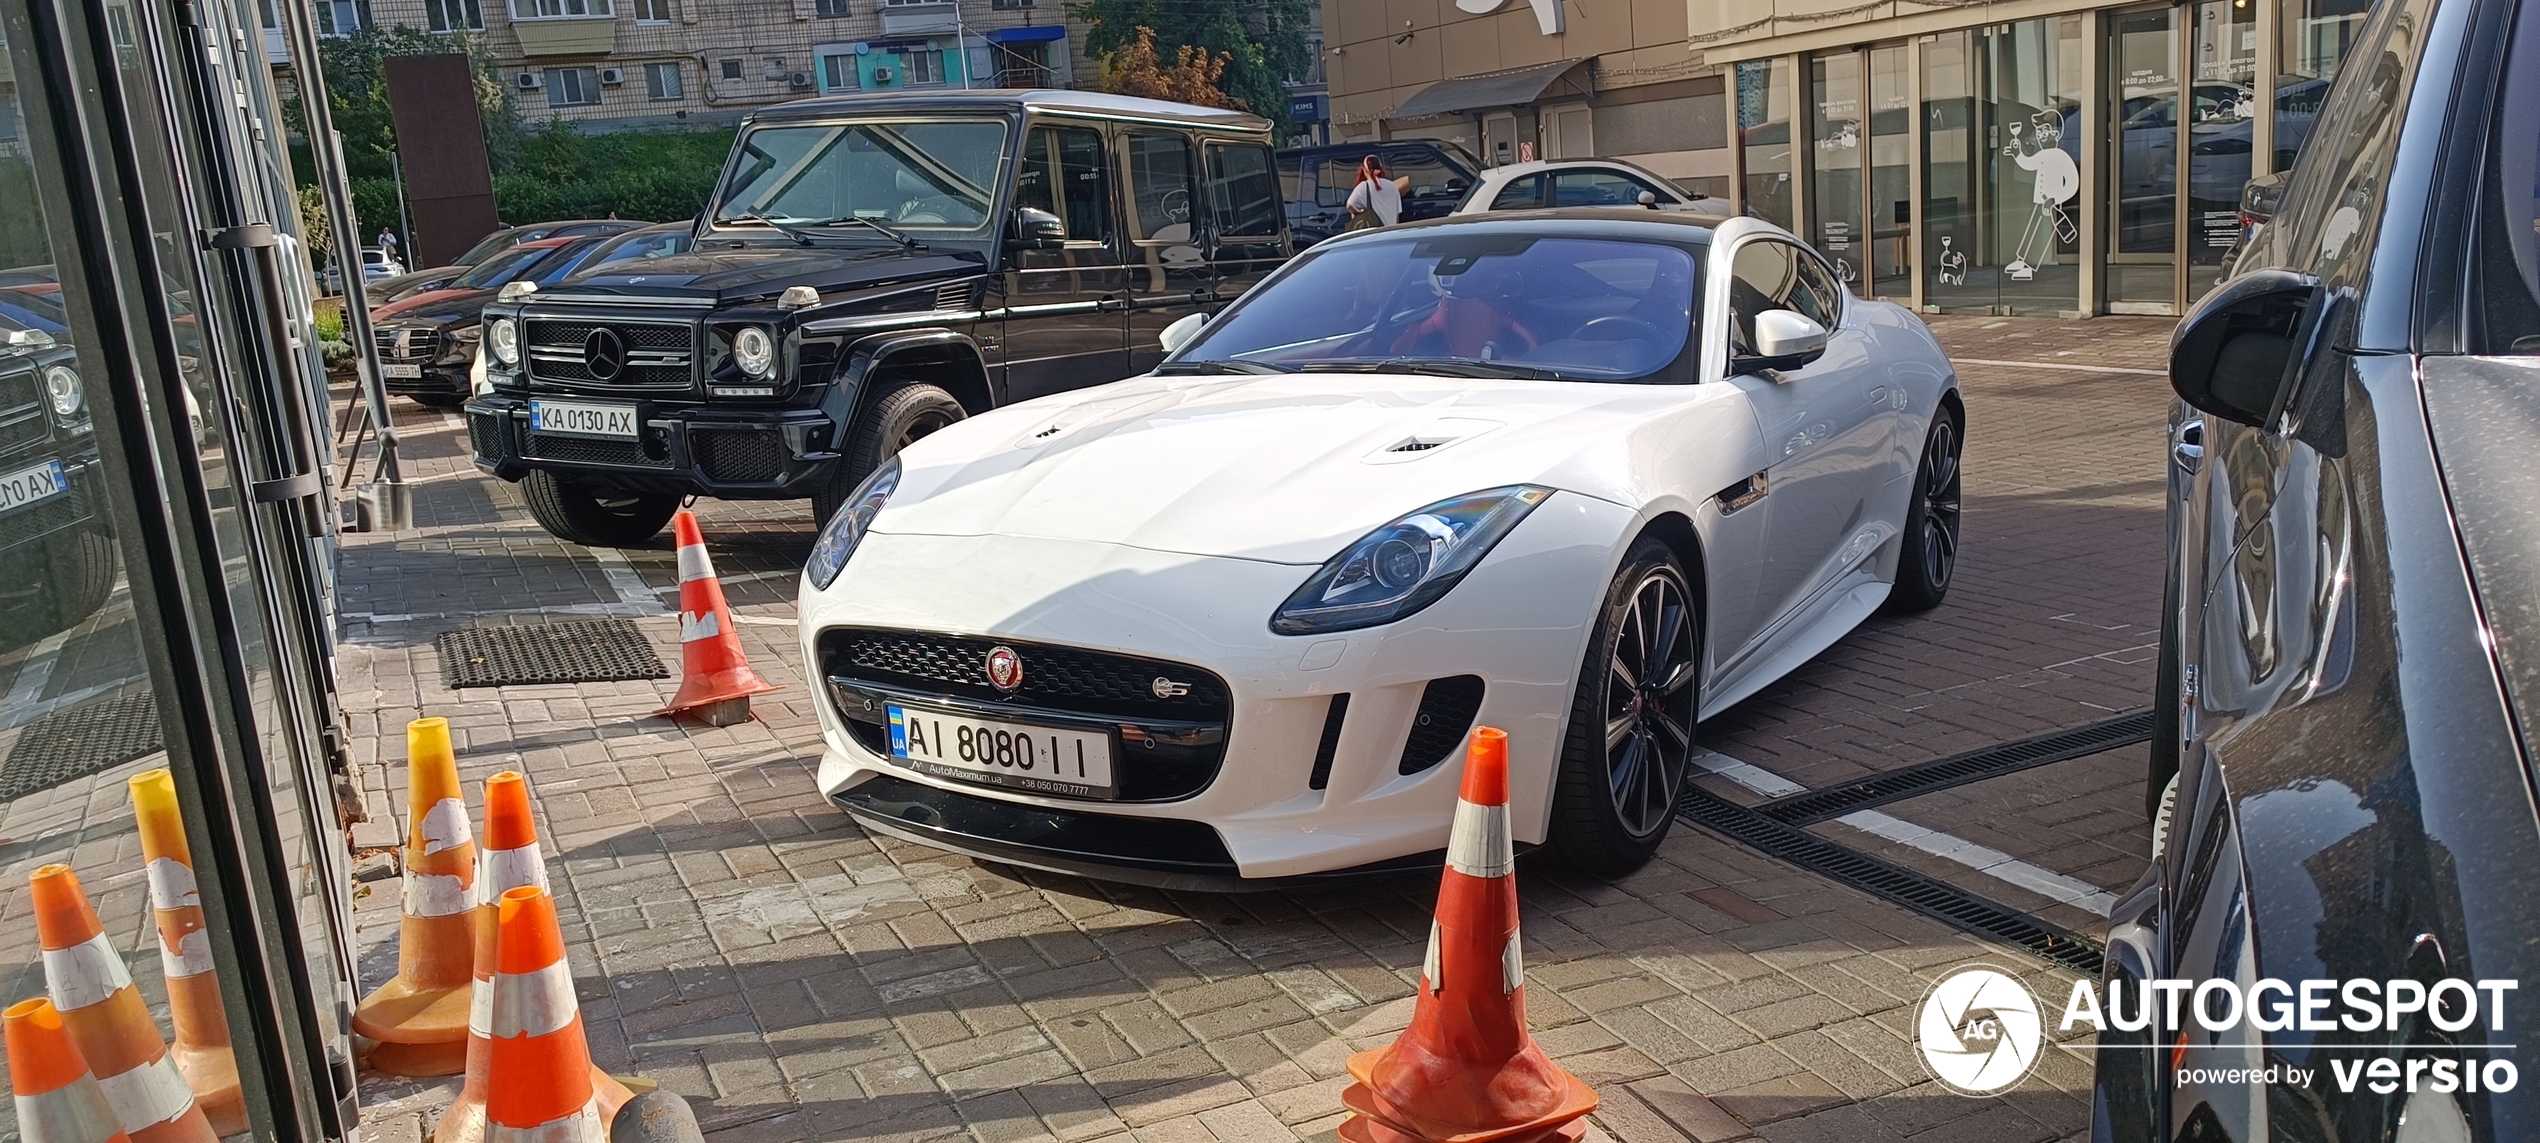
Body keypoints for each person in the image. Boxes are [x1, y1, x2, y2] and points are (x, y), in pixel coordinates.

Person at [1345, 156, 1401, 230]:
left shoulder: (1364, 186)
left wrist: (1359, 213)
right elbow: (1397, 213)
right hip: (1391, 233)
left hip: (1375, 233)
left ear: (1364, 170)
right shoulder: (1392, 185)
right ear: (1381, 168)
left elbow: (1349, 205)